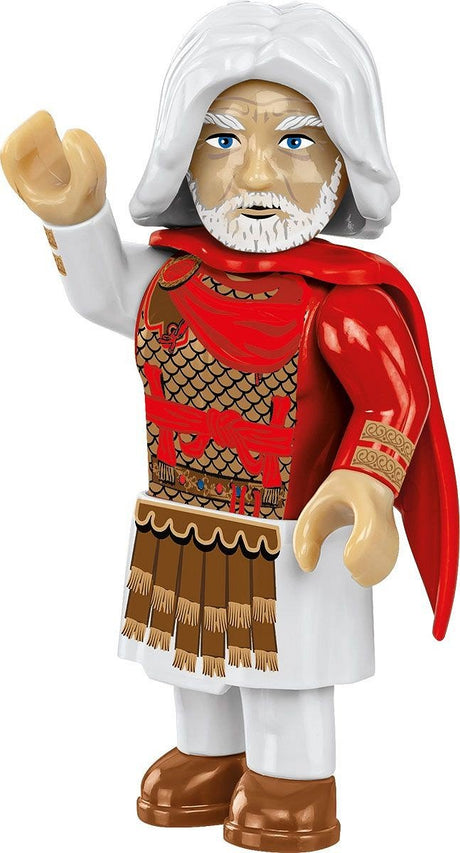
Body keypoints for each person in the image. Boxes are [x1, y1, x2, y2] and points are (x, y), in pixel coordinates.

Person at [1, 3, 457, 851]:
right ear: (183, 156)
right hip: (184, 515)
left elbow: (395, 401)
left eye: (294, 141)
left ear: (346, 161)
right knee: (194, 660)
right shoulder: (174, 279)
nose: (253, 173)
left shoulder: (345, 303)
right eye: (222, 139)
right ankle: (209, 757)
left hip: (295, 533)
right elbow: (104, 294)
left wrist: (363, 483)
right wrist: (76, 214)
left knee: (285, 672)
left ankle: (292, 776)